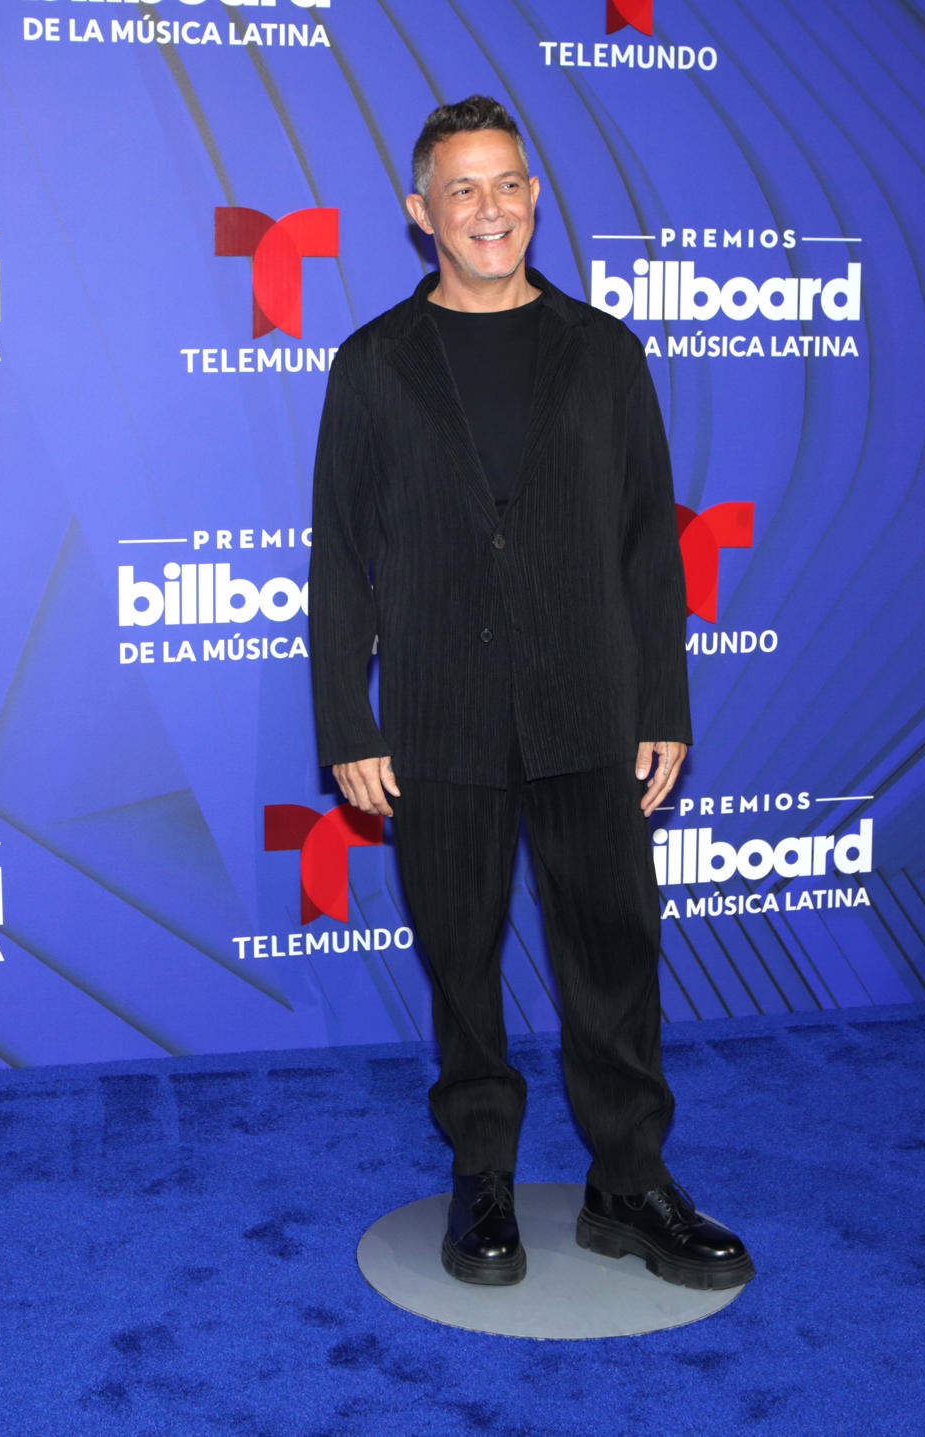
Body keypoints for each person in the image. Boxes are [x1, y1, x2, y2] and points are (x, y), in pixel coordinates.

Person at [308, 96, 753, 1292]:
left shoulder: (605, 353)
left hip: (589, 709)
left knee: (613, 952)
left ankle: (629, 1184)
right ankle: (483, 1179)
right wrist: (347, 721)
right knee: (460, 962)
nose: (488, 208)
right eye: (462, 189)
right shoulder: (372, 366)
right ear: (420, 213)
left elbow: (648, 545)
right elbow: (338, 557)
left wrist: (661, 702)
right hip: (439, 717)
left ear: (536, 195)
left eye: (507, 183)